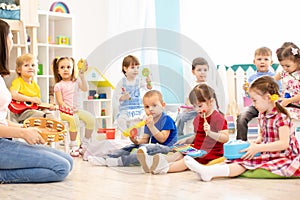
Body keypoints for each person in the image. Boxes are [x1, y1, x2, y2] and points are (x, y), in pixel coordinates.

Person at [185, 76, 300, 181]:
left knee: (244, 164)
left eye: (255, 100)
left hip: (284, 154)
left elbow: (284, 144)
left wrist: (259, 147)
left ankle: (210, 172)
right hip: (267, 149)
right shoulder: (262, 114)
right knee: (239, 159)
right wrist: (257, 141)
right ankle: (208, 171)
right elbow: (263, 134)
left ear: (268, 98)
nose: (253, 104)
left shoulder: (281, 117)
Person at [0, 19, 73, 184]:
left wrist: (26, 127)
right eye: (10, 36)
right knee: (61, 168)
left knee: (68, 161)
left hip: (5, 140)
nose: (12, 40)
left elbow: (2, 121)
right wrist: (23, 133)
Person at [137, 84, 229, 174]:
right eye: (195, 106)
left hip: (211, 153)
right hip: (197, 149)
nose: (197, 110)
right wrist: (186, 140)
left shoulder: (218, 118)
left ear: (211, 102)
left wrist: (210, 133)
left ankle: (163, 169)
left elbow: (225, 138)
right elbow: (197, 136)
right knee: (178, 154)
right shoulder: (198, 118)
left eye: (200, 106)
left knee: (186, 160)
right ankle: (152, 162)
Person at [88, 90, 177, 168]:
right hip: (150, 147)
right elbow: (145, 141)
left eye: (154, 105)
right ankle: (107, 158)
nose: (150, 109)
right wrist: (136, 141)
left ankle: (120, 161)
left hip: (167, 148)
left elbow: (163, 138)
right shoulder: (149, 121)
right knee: (131, 147)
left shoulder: (166, 119)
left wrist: (151, 126)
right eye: (147, 106)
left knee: (143, 151)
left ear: (163, 105)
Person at [53, 57, 95, 157]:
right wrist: (68, 108)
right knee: (74, 120)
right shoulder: (58, 85)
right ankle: (73, 145)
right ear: (58, 71)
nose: (66, 69)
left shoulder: (76, 82)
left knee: (91, 119)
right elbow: (60, 101)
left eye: (68, 67)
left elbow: (85, 89)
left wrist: (82, 76)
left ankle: (85, 143)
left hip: (77, 110)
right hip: (64, 112)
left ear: (72, 69)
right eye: (62, 67)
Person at [236, 47, 281, 141]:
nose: (262, 62)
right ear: (254, 61)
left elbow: (278, 93)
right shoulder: (252, 78)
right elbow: (249, 96)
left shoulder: (274, 77)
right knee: (242, 117)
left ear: (271, 62)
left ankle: (273, 141)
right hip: (255, 106)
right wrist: (246, 90)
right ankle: (241, 142)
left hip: (271, 108)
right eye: (259, 59)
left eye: (266, 59)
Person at [9, 53, 56, 123]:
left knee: (50, 115)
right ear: (19, 70)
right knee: (41, 115)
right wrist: (31, 99)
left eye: (33, 65)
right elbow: (13, 95)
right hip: (20, 112)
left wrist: (48, 107)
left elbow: (37, 105)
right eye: (26, 65)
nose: (30, 67)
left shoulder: (36, 86)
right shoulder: (18, 82)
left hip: (33, 111)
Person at [114, 55, 152, 138]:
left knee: (146, 118)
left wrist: (148, 82)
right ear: (125, 69)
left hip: (138, 108)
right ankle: (126, 138)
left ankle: (142, 138)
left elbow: (148, 88)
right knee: (121, 120)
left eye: (137, 68)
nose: (136, 70)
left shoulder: (139, 80)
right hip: (126, 109)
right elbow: (117, 96)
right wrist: (123, 97)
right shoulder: (121, 82)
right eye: (132, 67)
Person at [176, 57, 209, 136]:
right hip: (193, 109)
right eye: (199, 70)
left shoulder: (207, 86)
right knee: (180, 116)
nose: (202, 72)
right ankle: (179, 134)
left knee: (182, 117)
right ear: (193, 72)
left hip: (202, 109)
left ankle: (181, 135)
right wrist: (188, 106)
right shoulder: (192, 85)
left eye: (205, 70)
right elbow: (188, 99)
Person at [274, 42, 300, 119]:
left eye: (287, 66)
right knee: (272, 112)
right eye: (282, 65)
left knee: (284, 115)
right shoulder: (283, 72)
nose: (285, 68)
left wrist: (289, 101)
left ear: (298, 61)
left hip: (297, 105)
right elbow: (272, 80)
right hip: (286, 102)